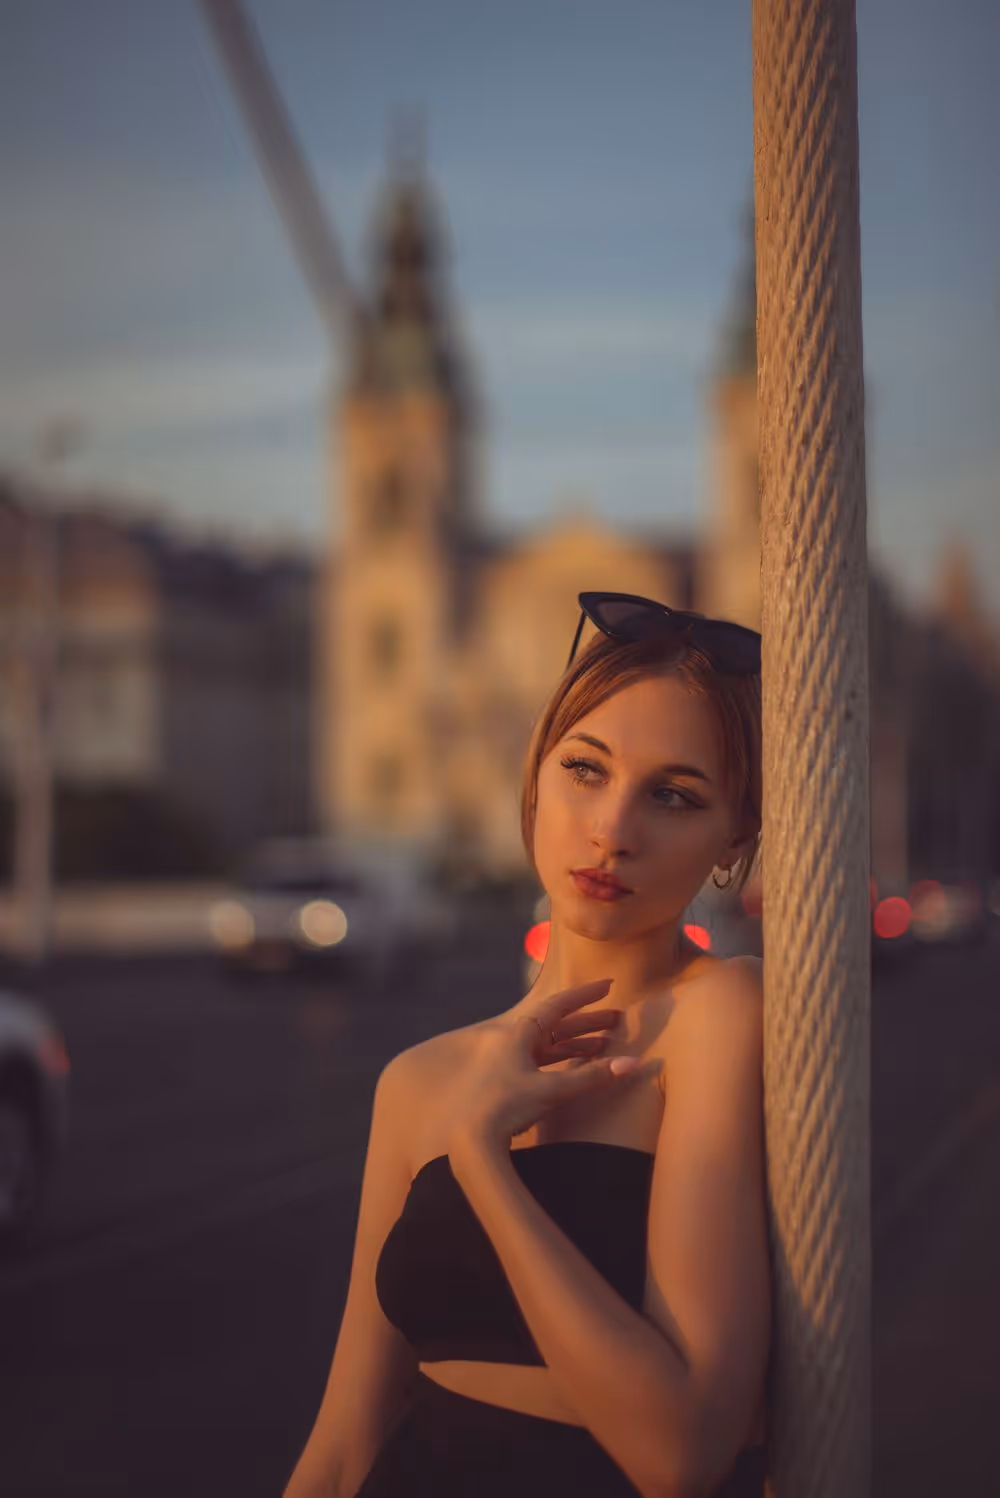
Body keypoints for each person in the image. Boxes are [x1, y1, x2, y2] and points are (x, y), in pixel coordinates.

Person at [284, 591, 772, 1498]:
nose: (612, 830)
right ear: (536, 774)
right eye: (586, 769)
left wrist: (481, 1156)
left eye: (672, 796)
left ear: (732, 839)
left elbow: (680, 1454)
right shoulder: (419, 1080)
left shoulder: (721, 1014)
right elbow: (346, 1445)